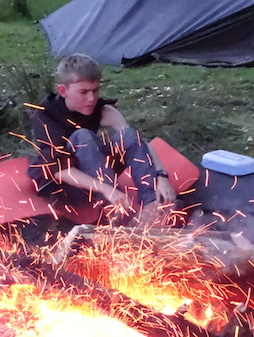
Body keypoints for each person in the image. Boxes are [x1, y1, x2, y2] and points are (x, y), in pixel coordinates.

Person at [28, 54, 176, 224]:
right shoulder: (46, 115)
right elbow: (60, 170)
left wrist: (161, 176)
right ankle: (114, 212)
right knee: (83, 135)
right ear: (63, 91)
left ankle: (152, 205)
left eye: (95, 90)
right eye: (83, 92)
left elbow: (137, 143)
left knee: (128, 134)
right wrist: (106, 189)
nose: (91, 98)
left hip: (97, 179)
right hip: (66, 188)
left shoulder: (101, 109)